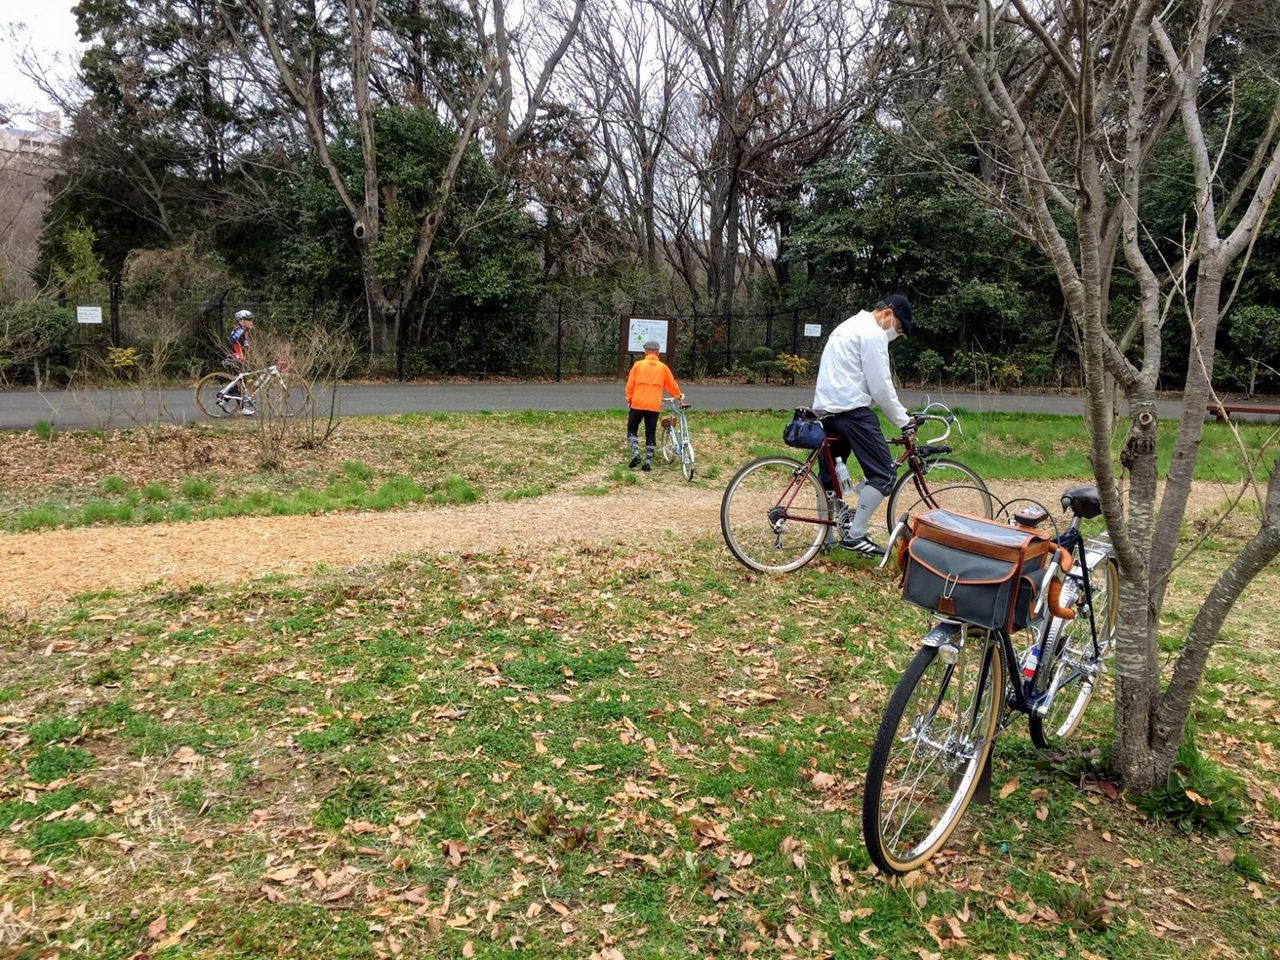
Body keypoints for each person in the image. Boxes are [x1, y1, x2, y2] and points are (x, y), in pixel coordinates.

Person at [812, 294, 918, 557]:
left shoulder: (847, 326)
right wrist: (903, 420)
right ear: (888, 313)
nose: (895, 334)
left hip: (826, 411)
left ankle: (825, 538)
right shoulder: (873, 334)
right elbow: (881, 387)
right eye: (898, 328)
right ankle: (856, 535)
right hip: (853, 413)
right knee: (884, 474)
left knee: (830, 478)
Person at [625, 339, 683, 471]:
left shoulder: (638, 365)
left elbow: (630, 385)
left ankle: (636, 453)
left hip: (638, 403)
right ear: (658, 353)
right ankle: (648, 461)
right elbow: (671, 385)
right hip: (654, 405)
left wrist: (629, 399)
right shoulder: (663, 368)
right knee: (650, 432)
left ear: (645, 352)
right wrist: (679, 396)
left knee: (632, 428)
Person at [226, 309, 256, 415]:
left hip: (240, 359)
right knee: (240, 383)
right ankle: (241, 408)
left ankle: (225, 399)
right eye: (249, 320)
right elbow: (232, 343)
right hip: (235, 359)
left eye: (251, 320)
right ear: (242, 321)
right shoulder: (240, 330)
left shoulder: (245, 331)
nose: (251, 322)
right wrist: (238, 356)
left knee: (244, 381)